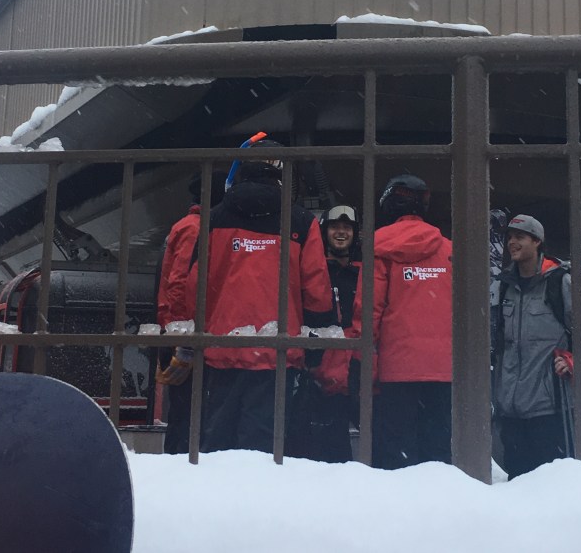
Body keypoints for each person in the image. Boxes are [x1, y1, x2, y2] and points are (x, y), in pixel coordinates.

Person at [165, 136, 335, 454]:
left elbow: (191, 286)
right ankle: (255, 501)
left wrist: (188, 335)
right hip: (277, 350)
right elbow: (317, 289)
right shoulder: (300, 221)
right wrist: (318, 338)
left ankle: (219, 501)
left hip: (221, 348)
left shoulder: (214, 219)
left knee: (218, 441)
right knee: (263, 446)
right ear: (282, 175)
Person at [492, 214, 581, 479]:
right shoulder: (504, 286)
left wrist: (576, 361)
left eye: (520, 237)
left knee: (552, 485)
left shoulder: (560, 283)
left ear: (537, 241)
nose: (512, 243)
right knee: (516, 485)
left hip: (549, 411)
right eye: (509, 238)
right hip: (510, 412)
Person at [352, 174, 452, 470]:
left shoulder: (378, 246)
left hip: (395, 371)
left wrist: (361, 358)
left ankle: (397, 513)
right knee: (437, 454)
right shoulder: (449, 249)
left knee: (394, 455)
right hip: (442, 370)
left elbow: (368, 309)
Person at [155, 170, 226, 454]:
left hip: (178, 329)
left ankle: (180, 461)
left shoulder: (186, 225)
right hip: (186, 335)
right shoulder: (197, 228)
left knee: (185, 413)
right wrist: (184, 335)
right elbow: (181, 283)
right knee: (191, 414)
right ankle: (184, 465)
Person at [287, 205, 361, 462]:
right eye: (334, 227)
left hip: (357, 373)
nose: (341, 233)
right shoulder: (313, 270)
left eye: (347, 228)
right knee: (315, 448)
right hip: (318, 373)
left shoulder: (365, 270)